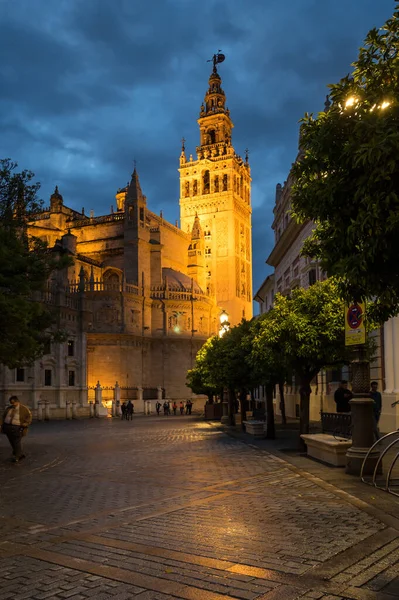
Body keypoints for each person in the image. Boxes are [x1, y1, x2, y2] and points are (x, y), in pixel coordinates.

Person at [1, 396, 32, 463]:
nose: (12, 404)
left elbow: (29, 417)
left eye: (13, 403)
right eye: (11, 403)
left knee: (17, 442)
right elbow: (3, 416)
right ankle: (18, 453)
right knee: (12, 441)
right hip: (7, 427)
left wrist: (25, 424)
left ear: (17, 401)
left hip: (17, 428)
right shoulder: (9, 408)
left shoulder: (24, 409)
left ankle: (17, 456)